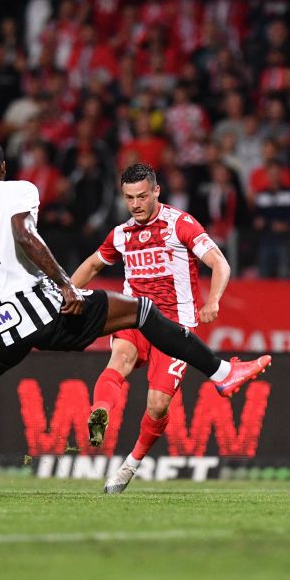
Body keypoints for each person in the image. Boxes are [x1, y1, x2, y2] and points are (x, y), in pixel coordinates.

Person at [0, 140, 269, 500]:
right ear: (3, 169)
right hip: (35, 308)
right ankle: (219, 373)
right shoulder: (19, 190)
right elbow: (24, 234)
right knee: (142, 311)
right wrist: (65, 286)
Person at [68, 162, 234, 494]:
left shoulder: (181, 224)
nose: (136, 204)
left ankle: (130, 465)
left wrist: (213, 299)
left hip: (174, 328)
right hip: (136, 317)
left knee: (157, 404)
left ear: (156, 191)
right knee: (120, 359)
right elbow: (91, 265)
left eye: (142, 196)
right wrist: (65, 296)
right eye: (129, 198)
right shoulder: (121, 234)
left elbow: (219, 262)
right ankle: (100, 412)